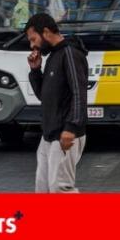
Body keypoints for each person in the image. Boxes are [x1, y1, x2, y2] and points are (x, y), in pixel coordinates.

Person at [25, 13, 88, 193]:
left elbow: (79, 93)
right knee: (43, 189)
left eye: (33, 39)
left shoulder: (70, 53)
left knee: (60, 189)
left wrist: (71, 128)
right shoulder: (54, 56)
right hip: (49, 135)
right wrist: (35, 71)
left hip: (65, 134)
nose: (32, 45)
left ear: (45, 32)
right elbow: (44, 96)